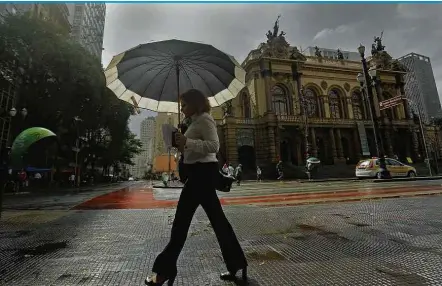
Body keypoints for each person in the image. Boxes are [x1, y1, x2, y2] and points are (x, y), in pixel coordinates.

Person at [145, 89, 248, 286]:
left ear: (195, 103)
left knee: (180, 224)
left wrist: (188, 142)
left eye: (184, 105)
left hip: (203, 174)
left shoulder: (205, 119)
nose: (182, 108)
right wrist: (180, 144)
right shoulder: (191, 122)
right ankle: (237, 263)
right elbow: (191, 149)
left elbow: (214, 146)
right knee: (218, 222)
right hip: (198, 174)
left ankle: (164, 271)